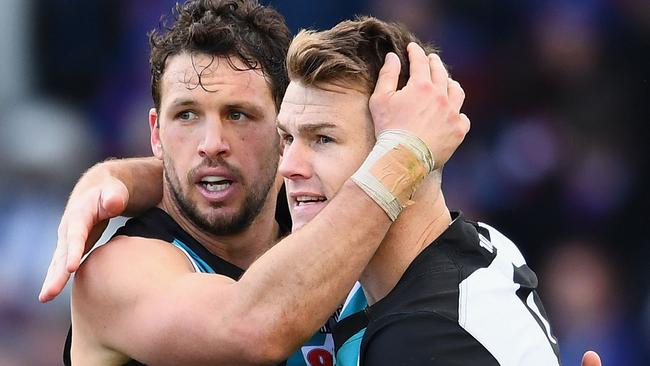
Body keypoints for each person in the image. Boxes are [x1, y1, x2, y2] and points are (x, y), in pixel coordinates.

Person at [38, 2, 601, 366]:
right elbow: (252, 325)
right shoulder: (117, 272)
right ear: (155, 134)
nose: (212, 143)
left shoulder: (341, 245)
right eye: (187, 115)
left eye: (240, 115)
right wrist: (407, 153)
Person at [275, 16, 562, 365]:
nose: (288, 166)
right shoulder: (481, 244)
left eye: (323, 139)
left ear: (408, 151)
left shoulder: (423, 338)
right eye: (287, 139)